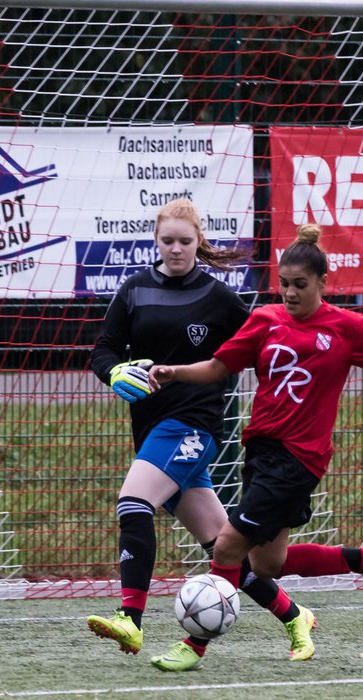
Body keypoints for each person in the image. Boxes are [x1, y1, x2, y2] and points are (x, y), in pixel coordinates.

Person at [146, 223, 363, 672]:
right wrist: (175, 371)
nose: (290, 293)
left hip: (298, 459)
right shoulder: (264, 321)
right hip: (261, 453)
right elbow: (220, 365)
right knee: (268, 564)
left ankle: (194, 644)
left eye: (300, 285)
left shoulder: (347, 327)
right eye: (284, 284)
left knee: (226, 548)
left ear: (323, 282)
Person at [84, 199, 322, 666]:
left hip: (197, 423)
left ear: (199, 243)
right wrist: (113, 373)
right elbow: (103, 351)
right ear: (156, 240)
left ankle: (129, 619)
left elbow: (265, 342)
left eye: (185, 242)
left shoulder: (217, 298)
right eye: (168, 241)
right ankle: (296, 617)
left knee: (133, 503)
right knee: (224, 548)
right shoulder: (134, 289)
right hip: (153, 428)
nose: (176, 250)